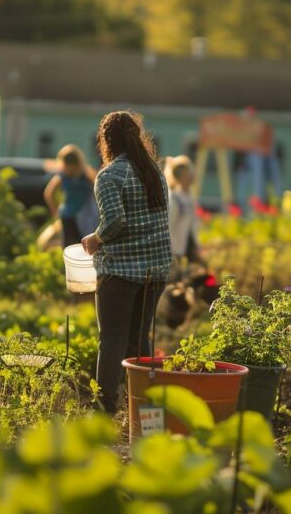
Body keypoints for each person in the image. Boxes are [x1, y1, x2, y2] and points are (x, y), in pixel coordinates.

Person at [81, 111, 172, 413]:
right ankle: (143, 408)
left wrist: (94, 239)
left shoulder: (109, 175)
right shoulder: (154, 172)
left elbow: (115, 221)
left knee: (111, 340)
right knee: (139, 339)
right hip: (155, 271)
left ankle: (104, 408)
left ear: (107, 142)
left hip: (120, 272)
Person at [44, 144, 97, 248]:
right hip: (68, 216)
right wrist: (54, 210)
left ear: (76, 164)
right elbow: (49, 192)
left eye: (69, 166)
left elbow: (97, 189)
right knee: (68, 247)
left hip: (85, 217)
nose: (67, 168)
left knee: (83, 246)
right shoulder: (63, 176)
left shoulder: (86, 174)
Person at [165, 155, 200, 262]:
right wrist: (170, 251)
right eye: (189, 174)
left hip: (188, 246)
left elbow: (193, 223)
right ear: (181, 176)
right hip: (176, 249)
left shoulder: (190, 197)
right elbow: (169, 226)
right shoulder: (174, 199)